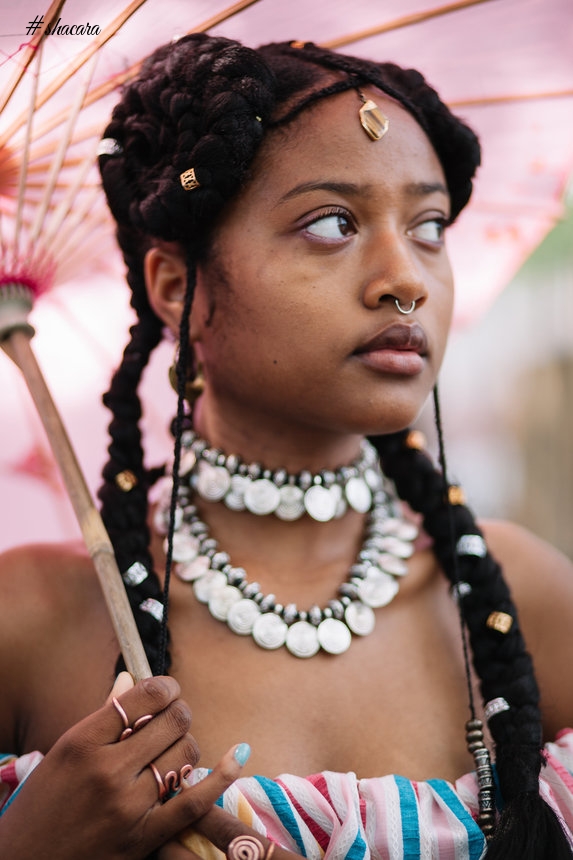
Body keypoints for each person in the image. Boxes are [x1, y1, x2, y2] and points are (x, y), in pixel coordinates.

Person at [1, 32, 573, 859]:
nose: (404, 277)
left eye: (430, 226)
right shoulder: (34, 622)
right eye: (332, 223)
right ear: (176, 288)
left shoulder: (521, 597)